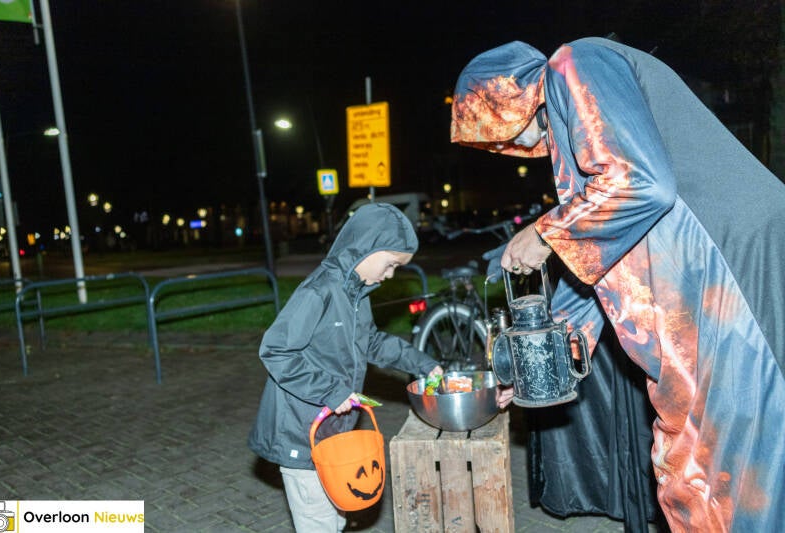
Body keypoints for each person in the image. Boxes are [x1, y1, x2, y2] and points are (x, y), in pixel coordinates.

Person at [451, 37, 785, 531]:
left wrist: (544, 234)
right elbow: (602, 259)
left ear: (506, 96)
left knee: (725, 469)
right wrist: (535, 363)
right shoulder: (570, 132)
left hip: (733, 278)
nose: (501, 148)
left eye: (494, 132)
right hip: (700, 300)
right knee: (705, 464)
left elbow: (644, 185)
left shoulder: (576, 63)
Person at [247, 202, 442, 532]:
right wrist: (331, 391)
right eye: (391, 264)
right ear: (367, 247)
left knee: (335, 516)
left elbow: (372, 342)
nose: (390, 274)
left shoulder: (356, 294)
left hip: (331, 432)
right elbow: (275, 350)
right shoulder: (319, 291)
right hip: (300, 433)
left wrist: (422, 363)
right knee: (319, 522)